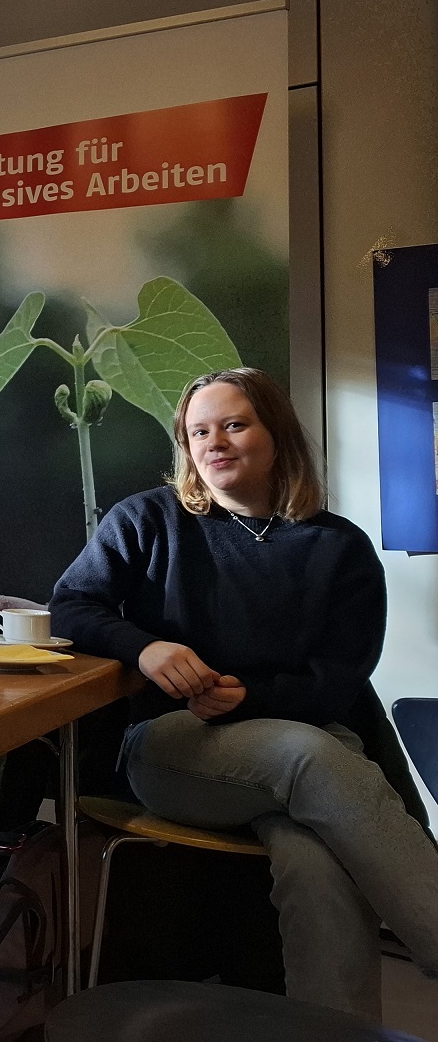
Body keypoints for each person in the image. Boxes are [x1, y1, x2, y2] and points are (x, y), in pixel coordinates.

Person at [51, 367, 438, 1021]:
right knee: (310, 757)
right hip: (176, 747)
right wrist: (146, 649)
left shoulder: (339, 547)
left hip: (307, 743)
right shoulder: (148, 519)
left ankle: (335, 1036)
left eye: (234, 424)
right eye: (198, 431)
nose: (214, 443)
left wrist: (247, 695)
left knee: (316, 862)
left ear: (276, 434)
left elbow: (338, 680)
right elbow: (70, 605)